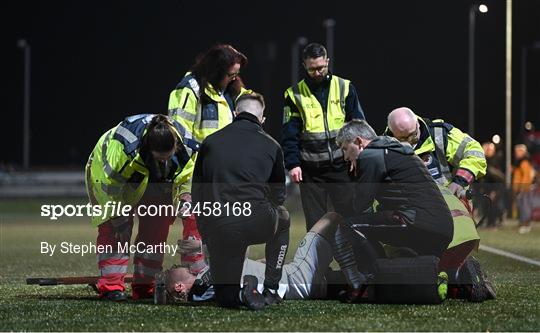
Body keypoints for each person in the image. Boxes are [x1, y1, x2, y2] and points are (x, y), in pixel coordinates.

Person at [191, 92, 290, 310]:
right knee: (283, 217)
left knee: (226, 300)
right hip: (257, 221)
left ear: (235, 113)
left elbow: (197, 192)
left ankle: (238, 290)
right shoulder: (272, 145)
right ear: (262, 118)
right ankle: (270, 288)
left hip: (220, 226)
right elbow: (279, 196)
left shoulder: (210, 142)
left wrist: (206, 232)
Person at [85, 114, 197, 301]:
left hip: (154, 181)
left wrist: (185, 198)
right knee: (114, 230)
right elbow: (108, 187)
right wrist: (118, 218)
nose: (164, 163)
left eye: (168, 158)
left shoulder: (185, 146)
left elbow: (187, 177)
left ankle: (145, 287)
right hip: (107, 176)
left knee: (157, 228)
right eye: (160, 159)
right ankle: (111, 287)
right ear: (147, 150)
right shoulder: (122, 150)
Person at [155, 212, 365, 304]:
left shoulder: (205, 289)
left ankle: (358, 279)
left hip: (296, 282)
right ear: (180, 287)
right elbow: (230, 249)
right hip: (297, 277)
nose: (176, 265)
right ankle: (355, 276)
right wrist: (200, 245)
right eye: (172, 270)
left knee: (370, 281)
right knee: (332, 218)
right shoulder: (203, 283)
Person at [167, 44, 250, 273]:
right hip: (193, 173)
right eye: (230, 74)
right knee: (195, 224)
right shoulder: (188, 90)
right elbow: (177, 133)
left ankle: (220, 275)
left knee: (225, 224)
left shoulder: (230, 91)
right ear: (215, 70)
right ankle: (195, 278)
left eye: (236, 74)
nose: (234, 78)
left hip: (224, 174)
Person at [336, 120, 454, 264]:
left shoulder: (370, 156)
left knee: (349, 226)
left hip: (416, 223)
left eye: (345, 149)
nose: (345, 157)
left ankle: (376, 277)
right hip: (444, 229)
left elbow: (360, 207)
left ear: (359, 142)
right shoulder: (396, 150)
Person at [282, 42, 366, 230]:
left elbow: (359, 124)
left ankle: (357, 258)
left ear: (327, 62)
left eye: (321, 67)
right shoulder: (293, 94)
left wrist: (359, 155)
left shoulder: (345, 87)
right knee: (316, 225)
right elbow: (290, 132)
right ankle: (320, 260)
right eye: (312, 69)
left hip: (342, 166)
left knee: (352, 217)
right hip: (311, 171)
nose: (317, 72)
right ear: (304, 66)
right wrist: (293, 164)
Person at [386, 107, 486, 197]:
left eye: (413, 135)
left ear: (417, 124)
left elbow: (474, 152)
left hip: (449, 201)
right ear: (393, 133)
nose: (409, 140)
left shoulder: (440, 135)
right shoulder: (384, 148)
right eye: (403, 138)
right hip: (410, 208)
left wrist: (459, 181)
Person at [512, 144, 536, 233]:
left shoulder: (524, 162)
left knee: (525, 207)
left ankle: (526, 225)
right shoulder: (520, 162)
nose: (517, 153)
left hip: (524, 188)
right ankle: (523, 223)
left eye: (519, 151)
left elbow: (526, 176)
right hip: (521, 188)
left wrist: (522, 188)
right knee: (522, 207)